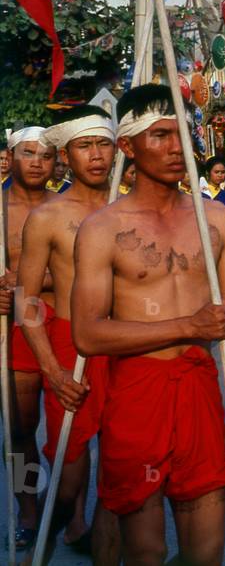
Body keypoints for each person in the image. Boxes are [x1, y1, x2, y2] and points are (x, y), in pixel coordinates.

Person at [71, 84, 225, 565]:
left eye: (182, 134)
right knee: (147, 551)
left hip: (199, 390)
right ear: (129, 148)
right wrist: (188, 326)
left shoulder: (217, 220)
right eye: (160, 135)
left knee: (206, 553)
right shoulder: (103, 228)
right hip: (136, 393)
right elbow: (88, 334)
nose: (177, 148)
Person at [18, 108, 121, 563]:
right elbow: (27, 300)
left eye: (104, 144)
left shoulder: (131, 207)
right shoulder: (49, 216)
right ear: (66, 155)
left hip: (128, 342)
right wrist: (53, 369)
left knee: (126, 471)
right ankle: (42, 538)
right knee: (69, 473)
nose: (96, 156)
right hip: (70, 342)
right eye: (85, 146)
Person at [1, 126, 55, 550]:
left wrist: (31, 278)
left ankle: (68, 510)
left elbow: (85, 269)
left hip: (63, 324)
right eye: (28, 153)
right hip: (15, 327)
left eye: (46, 154)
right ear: (11, 156)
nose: (37, 161)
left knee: (69, 431)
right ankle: (28, 509)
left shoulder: (66, 206)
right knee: (22, 429)